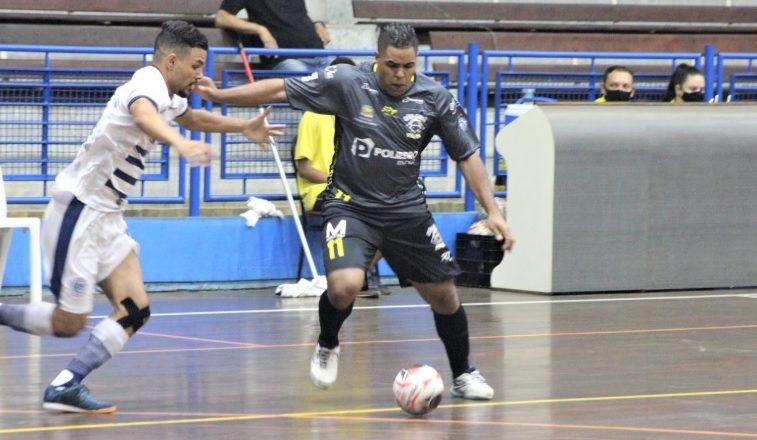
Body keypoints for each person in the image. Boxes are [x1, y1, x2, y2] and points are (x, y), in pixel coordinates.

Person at [196, 23, 515, 401]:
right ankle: (328, 343)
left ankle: (463, 373)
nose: (400, 75)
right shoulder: (347, 82)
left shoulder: (436, 98)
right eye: (392, 65)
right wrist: (222, 95)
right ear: (377, 58)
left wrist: (492, 211)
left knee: (444, 297)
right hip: (351, 206)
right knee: (345, 286)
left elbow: (468, 156)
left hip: (406, 213)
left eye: (408, 66)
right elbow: (281, 88)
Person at [0, 21, 283, 414]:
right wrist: (179, 144)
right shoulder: (148, 82)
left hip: (109, 216)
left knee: (135, 309)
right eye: (196, 65)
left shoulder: (168, 93)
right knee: (69, 323)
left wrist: (244, 127)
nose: (200, 75)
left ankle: (66, 385)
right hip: (79, 210)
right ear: (171, 61)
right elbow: (144, 114)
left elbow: (193, 118)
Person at [294, 56, 389, 298]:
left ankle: (354, 276)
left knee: (395, 219)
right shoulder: (313, 115)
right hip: (320, 191)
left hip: (351, 190)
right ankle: (346, 279)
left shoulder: (361, 116)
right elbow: (304, 168)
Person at [215, 0, 330, 71]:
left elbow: (299, 18)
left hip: (319, 55)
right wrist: (260, 29)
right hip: (285, 62)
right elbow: (222, 18)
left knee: (344, 75)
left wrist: (317, 25)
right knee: (305, 83)